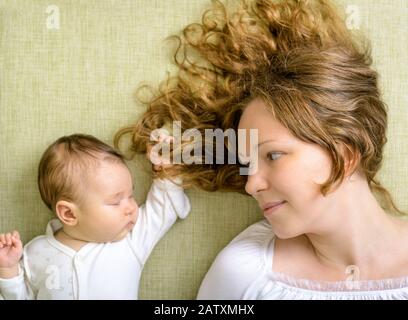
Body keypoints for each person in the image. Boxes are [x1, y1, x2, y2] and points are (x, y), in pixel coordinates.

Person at [118, 0, 407, 299]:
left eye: (272, 155)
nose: (252, 184)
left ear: (344, 156)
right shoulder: (244, 274)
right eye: (247, 163)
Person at [0, 133, 190, 299]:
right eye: (116, 202)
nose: (131, 207)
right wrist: (8, 271)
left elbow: (164, 209)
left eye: (131, 195)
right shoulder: (35, 252)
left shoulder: (131, 240)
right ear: (69, 213)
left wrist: (167, 168)